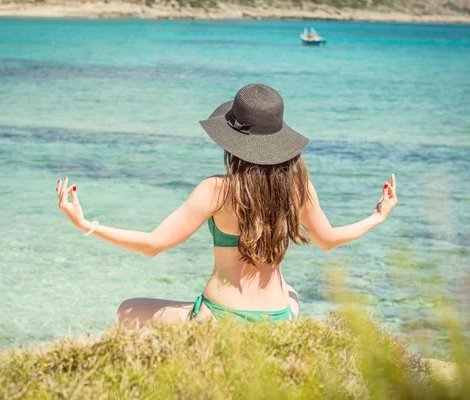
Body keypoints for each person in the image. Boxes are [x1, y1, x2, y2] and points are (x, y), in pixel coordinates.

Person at [55, 84, 398, 327]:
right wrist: (376, 217)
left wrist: (88, 226)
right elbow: (329, 240)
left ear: (232, 142)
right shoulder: (299, 186)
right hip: (278, 321)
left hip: (220, 319)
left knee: (127, 310)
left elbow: (153, 245)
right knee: (291, 292)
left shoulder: (216, 191)